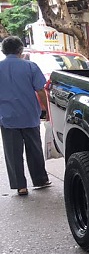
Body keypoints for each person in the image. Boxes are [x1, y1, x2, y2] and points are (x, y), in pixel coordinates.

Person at [0, 36, 51, 196]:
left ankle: (20, 186)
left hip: (7, 116)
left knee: (13, 152)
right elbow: (41, 90)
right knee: (34, 149)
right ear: (21, 50)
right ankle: (40, 180)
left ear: (3, 51)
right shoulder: (30, 66)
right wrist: (47, 110)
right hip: (29, 115)